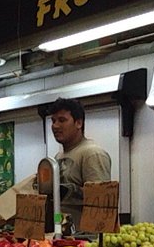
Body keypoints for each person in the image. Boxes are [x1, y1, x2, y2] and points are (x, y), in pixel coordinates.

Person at [47, 98, 112, 230]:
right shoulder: (58, 157)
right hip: (61, 233)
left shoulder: (92, 153)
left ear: (78, 123)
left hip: (85, 236)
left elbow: (100, 201)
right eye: (53, 121)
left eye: (62, 120)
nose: (55, 126)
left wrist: (72, 190)